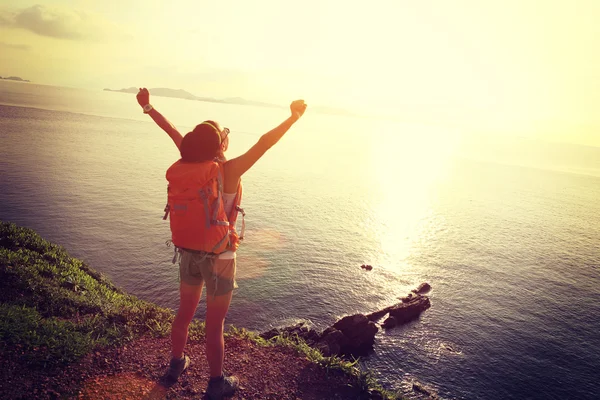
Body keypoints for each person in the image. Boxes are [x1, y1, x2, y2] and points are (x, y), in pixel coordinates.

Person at [136, 88, 306, 399]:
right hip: (220, 256)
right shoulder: (229, 170)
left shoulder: (187, 160)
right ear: (220, 144)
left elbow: (170, 129)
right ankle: (216, 383)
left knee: (184, 314)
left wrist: (148, 106)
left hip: (187, 251)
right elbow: (264, 144)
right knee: (214, 325)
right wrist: (293, 117)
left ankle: (176, 364)